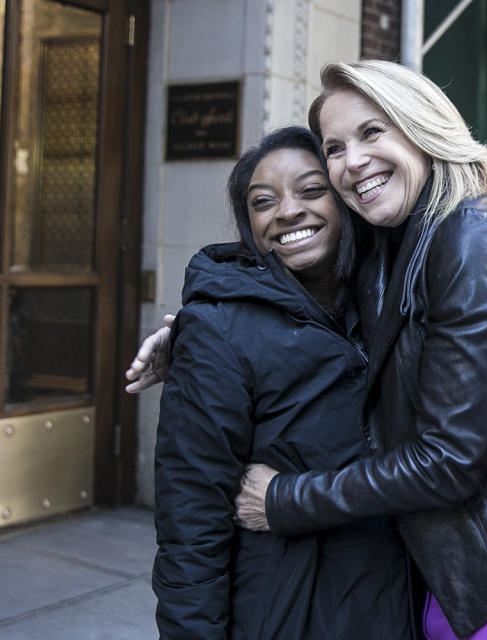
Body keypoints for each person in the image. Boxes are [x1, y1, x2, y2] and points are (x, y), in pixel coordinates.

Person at [130, 62, 487, 639]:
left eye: (372, 132)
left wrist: (284, 498)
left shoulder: (470, 238)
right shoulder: (393, 256)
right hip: (458, 578)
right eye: (335, 147)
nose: (353, 161)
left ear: (421, 128)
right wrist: (193, 339)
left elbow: (447, 459)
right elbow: (192, 521)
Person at [148, 126, 413, 639]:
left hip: (402, 597)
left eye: (312, 191)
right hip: (291, 611)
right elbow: (190, 524)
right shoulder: (218, 330)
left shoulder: (388, 297)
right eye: (263, 202)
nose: (288, 212)